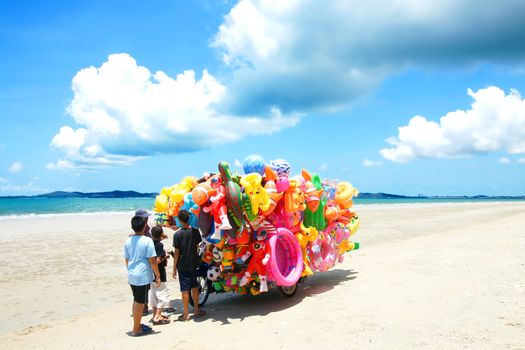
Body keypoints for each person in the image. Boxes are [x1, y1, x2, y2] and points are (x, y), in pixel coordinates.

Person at [124, 215, 161, 337]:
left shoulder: (128, 240)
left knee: (136, 300)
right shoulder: (147, 241)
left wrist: (130, 271)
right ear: (145, 226)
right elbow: (152, 260)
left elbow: (127, 259)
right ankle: (136, 328)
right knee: (140, 302)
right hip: (142, 276)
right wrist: (158, 275)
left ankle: (138, 324)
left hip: (132, 275)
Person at [172, 209, 206, 321]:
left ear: (179, 220)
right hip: (194, 263)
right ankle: (196, 310)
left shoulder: (177, 234)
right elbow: (199, 247)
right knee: (194, 287)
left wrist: (174, 268)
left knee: (185, 289)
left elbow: (177, 253)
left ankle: (186, 314)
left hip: (182, 265)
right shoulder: (195, 231)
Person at [149, 225, 171, 325]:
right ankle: (157, 316)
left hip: (150, 273)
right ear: (161, 234)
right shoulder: (159, 245)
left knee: (154, 295)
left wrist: (162, 236)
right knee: (163, 294)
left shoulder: (149, 243)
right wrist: (165, 257)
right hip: (160, 273)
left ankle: (154, 314)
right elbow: (157, 260)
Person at [135, 208, 152, 315]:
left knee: (146, 286)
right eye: (146, 218)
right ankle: (143, 307)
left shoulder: (147, 229)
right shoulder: (140, 232)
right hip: (143, 263)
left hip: (146, 262)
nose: (147, 219)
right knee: (143, 286)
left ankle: (143, 305)